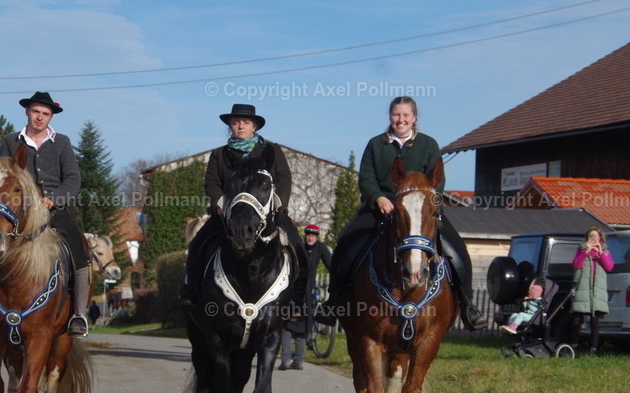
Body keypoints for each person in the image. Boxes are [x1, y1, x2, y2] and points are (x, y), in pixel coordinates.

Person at [321, 97, 486, 330]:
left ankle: (468, 305)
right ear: (390, 117)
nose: (401, 120)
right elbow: (366, 177)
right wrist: (378, 197)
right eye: (396, 115)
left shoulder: (428, 144)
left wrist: (427, 203)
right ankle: (334, 300)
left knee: (456, 247)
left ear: (414, 117)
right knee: (347, 242)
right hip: (381, 208)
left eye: (406, 115)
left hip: (422, 211)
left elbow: (437, 179)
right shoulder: (376, 144)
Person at [0, 91, 91, 337]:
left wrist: (53, 198)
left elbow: (73, 179)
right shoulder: (10, 141)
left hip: (53, 209)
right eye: (36, 112)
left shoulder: (62, 142)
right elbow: (2, 174)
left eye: (45, 114)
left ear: (51, 117)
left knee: (78, 248)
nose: (40, 117)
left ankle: (79, 313)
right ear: (27, 112)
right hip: (16, 206)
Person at [181, 103, 308, 309]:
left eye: (246, 122)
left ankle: (298, 299)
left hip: (268, 212)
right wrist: (220, 204)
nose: (240, 126)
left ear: (254, 126)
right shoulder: (220, 154)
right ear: (230, 126)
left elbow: (284, 178)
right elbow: (212, 183)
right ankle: (192, 291)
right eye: (235, 123)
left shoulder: (272, 150)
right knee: (197, 243)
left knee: (297, 244)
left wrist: (280, 204)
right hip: (228, 213)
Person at [280, 224, 332, 370]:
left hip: (310, 289)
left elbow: (330, 264)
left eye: (313, 236)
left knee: (301, 325)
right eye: (308, 235)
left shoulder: (321, 248)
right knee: (288, 324)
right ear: (305, 236)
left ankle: (297, 359)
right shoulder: (298, 246)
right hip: (293, 288)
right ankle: (287, 359)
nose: (310, 238)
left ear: (317, 237)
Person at [569, 227, 614, 356]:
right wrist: (585, 252)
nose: (593, 238)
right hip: (582, 291)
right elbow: (576, 265)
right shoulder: (581, 249)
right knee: (577, 320)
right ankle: (573, 348)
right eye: (590, 236)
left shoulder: (605, 251)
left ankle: (592, 351)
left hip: (596, 292)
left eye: (595, 236)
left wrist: (600, 253)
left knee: (595, 322)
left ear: (600, 237)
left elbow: (609, 267)